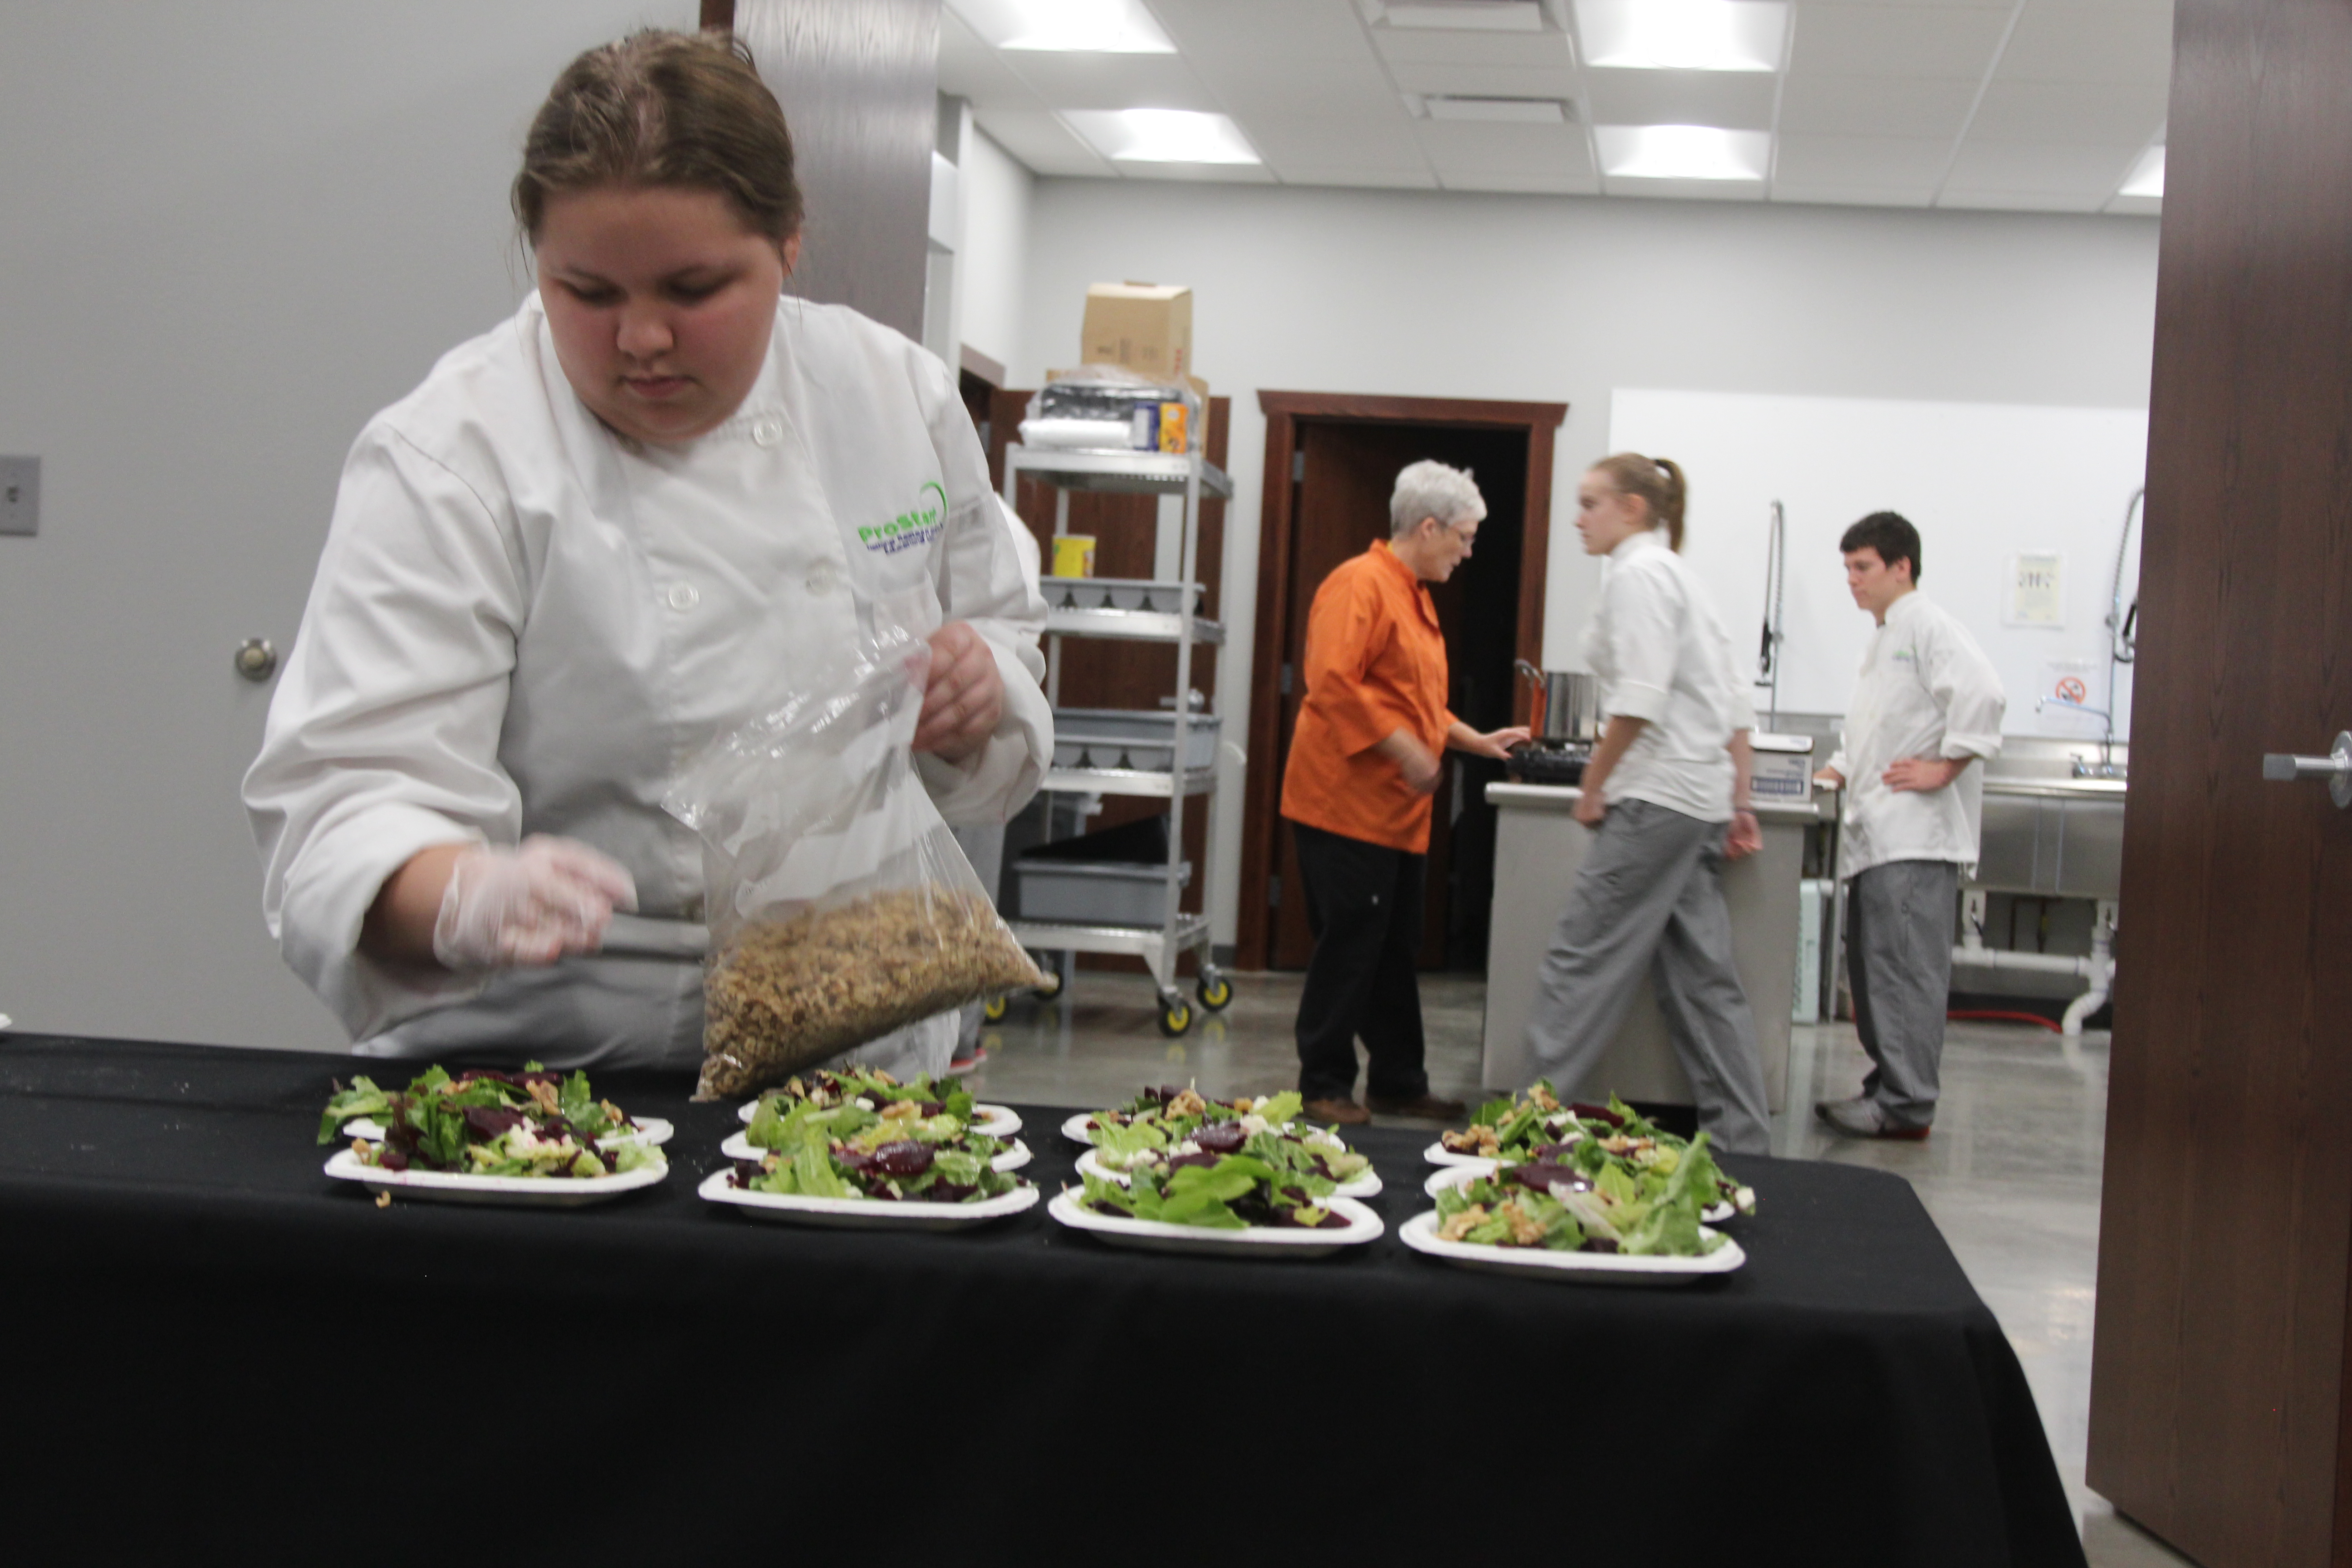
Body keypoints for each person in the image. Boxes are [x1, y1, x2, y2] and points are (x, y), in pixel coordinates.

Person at [243, 31, 1050, 1078]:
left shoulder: (892, 395)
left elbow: (1002, 636)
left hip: (858, 1067)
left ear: (790, 241)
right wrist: (458, 894)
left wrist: (976, 697)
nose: (642, 340)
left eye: (692, 288)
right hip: (549, 1075)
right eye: (589, 293)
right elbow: (340, 803)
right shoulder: (456, 455)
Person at [1520, 454, 1772, 1155]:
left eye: (1590, 503)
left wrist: (1593, 783)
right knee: (1703, 982)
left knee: (1579, 964)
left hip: (1655, 798)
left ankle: (1529, 1133)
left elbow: (1640, 698)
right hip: (1698, 802)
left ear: (1632, 508)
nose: (1578, 517)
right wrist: (1739, 797)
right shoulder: (1684, 579)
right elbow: (1733, 700)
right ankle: (1744, 1144)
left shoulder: (1638, 576)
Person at [1279, 460, 1530, 1127]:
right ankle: (1323, 1084)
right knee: (1351, 946)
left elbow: (1413, 703)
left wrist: (1474, 741)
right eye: (1465, 537)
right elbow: (1332, 684)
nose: (1469, 552)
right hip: (1344, 806)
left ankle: (1397, 1079)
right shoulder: (1360, 584)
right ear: (1428, 526)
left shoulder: (1412, 594)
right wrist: (1404, 749)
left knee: (1393, 948)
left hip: (1394, 814)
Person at [1813, 511, 2005, 1139]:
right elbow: (1878, 724)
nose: (1852, 580)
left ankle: (1907, 1105)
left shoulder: (1926, 623)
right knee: (1877, 973)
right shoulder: (1885, 636)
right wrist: (1836, 770)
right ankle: (1888, 1086)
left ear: (1903, 567)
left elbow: (1983, 694)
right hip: (1881, 838)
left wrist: (1946, 767)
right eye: (1847, 568)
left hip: (1915, 842)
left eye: (1863, 567)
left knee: (1904, 976)